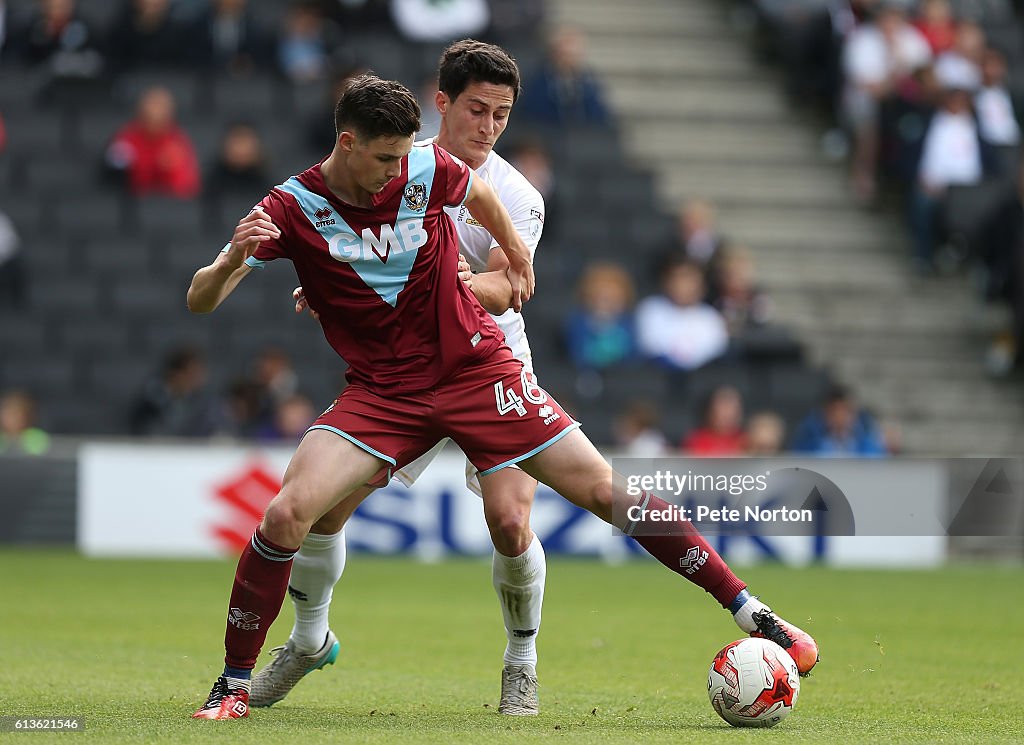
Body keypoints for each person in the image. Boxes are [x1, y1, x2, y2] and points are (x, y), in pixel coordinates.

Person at [186, 73, 818, 721]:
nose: (398, 172)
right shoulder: (293, 207)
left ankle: (753, 612)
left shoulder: (430, 168)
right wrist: (233, 258)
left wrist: (514, 255)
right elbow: (199, 299)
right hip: (386, 391)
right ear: (348, 144)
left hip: (481, 371)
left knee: (589, 494)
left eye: (501, 113)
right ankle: (239, 679)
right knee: (291, 513)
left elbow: (481, 201)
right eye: (385, 159)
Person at [260, 41, 555, 717]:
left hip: (490, 368)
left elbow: (510, 288)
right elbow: (347, 246)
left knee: (510, 519)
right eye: (477, 110)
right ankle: (308, 640)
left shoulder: (516, 195)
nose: (489, 127)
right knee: (323, 508)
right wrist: (337, 283)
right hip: (403, 376)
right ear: (441, 102)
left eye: (502, 115)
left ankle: (521, 662)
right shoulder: (392, 162)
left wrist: (440, 282)